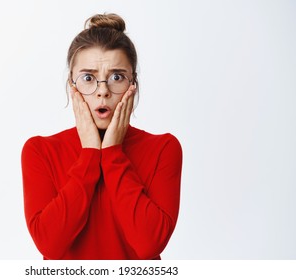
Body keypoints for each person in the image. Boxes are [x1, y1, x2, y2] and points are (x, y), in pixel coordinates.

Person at [21, 13, 183, 260]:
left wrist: (112, 154)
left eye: (117, 77)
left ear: (133, 85)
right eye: (88, 78)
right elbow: (50, 245)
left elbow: (149, 244)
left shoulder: (164, 148)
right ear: (72, 87)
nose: (103, 91)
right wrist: (89, 154)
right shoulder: (40, 150)